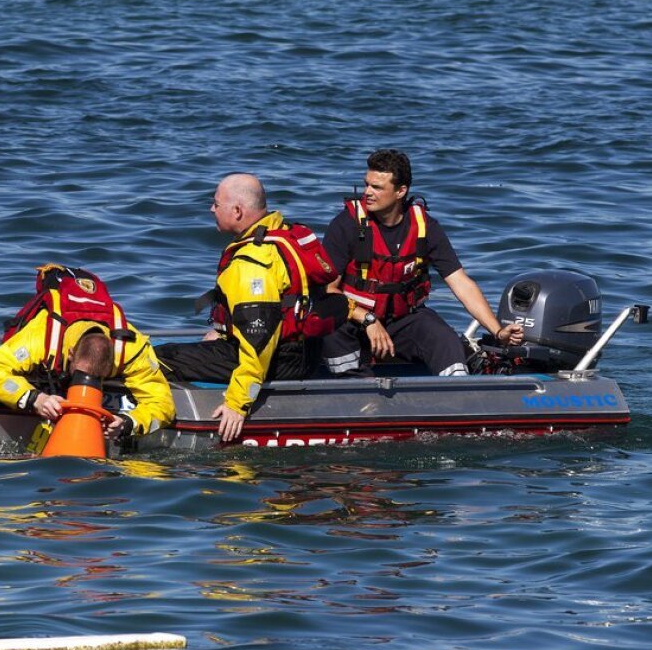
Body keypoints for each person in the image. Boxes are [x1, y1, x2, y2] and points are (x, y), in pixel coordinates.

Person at [155, 173, 347, 442]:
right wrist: (222, 334)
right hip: (305, 353)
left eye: (216, 204)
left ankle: (153, 418)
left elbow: (259, 339)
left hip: (278, 360)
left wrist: (238, 402)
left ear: (237, 211)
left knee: (157, 357)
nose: (211, 209)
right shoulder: (281, 233)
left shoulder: (252, 262)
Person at [320, 149, 523, 377]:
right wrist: (368, 320)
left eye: (376, 187)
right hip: (354, 321)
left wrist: (497, 331)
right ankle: (352, 391)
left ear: (400, 191)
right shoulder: (346, 225)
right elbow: (328, 290)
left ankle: (459, 397)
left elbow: (460, 283)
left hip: (403, 320)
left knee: (443, 338)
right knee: (332, 329)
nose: (367, 192)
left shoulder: (424, 227)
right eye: (366, 184)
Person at [0, 266, 175, 441]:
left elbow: (163, 404)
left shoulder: (131, 346)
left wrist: (130, 422)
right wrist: (34, 399)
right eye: (80, 375)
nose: (86, 383)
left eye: (97, 378)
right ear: (69, 354)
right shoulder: (41, 337)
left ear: (113, 361)